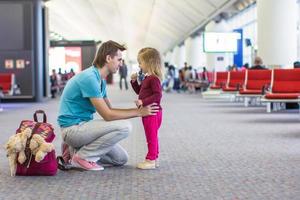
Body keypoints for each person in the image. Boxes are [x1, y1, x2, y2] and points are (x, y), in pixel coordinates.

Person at [57, 41, 159, 171]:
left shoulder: (101, 81)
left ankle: (72, 151)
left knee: (121, 159)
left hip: (83, 127)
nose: (121, 64)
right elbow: (107, 115)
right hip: (72, 130)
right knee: (125, 127)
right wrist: (139, 112)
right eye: (119, 59)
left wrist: (139, 111)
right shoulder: (90, 78)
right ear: (108, 58)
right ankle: (82, 157)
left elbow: (109, 110)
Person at [130, 47, 163, 170]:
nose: (139, 65)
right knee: (153, 135)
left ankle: (150, 159)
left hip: (152, 112)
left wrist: (143, 101)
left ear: (149, 62)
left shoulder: (153, 79)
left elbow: (158, 95)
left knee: (151, 137)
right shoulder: (147, 78)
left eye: (140, 62)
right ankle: (155, 157)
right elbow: (140, 91)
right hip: (150, 111)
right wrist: (134, 81)